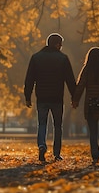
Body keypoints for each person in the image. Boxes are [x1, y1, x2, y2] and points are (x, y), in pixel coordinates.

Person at [24, 33, 76, 163]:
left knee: (42, 124)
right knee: (57, 125)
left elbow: (29, 78)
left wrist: (27, 96)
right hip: (57, 97)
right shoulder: (63, 58)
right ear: (57, 44)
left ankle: (42, 145)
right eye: (61, 45)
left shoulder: (36, 58)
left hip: (41, 97)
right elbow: (70, 79)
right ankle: (57, 153)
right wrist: (74, 96)